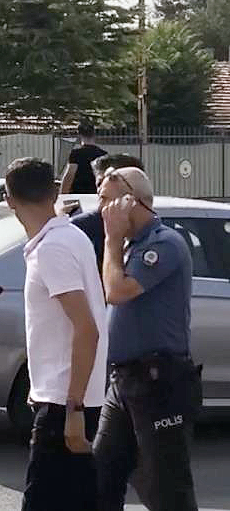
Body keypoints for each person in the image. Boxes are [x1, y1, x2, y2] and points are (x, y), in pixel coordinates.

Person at [95, 167, 202, 511]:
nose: (103, 211)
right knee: (100, 476)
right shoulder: (131, 246)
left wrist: (111, 241)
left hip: (159, 383)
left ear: (132, 201)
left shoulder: (163, 244)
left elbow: (117, 291)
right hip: (124, 381)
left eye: (108, 202)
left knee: (166, 488)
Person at [4, 158, 109, 511]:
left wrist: (74, 408)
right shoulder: (67, 236)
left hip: (65, 403)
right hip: (70, 398)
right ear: (53, 192)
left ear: (8, 198)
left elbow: (86, 328)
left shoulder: (52, 248)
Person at [68, 153, 145, 273]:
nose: (102, 189)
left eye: (111, 181)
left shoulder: (157, 234)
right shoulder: (80, 229)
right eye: (99, 183)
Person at [60, 118, 107, 194]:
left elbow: (69, 175)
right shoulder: (103, 154)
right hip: (96, 194)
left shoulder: (76, 153)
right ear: (94, 134)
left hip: (78, 194)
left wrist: (63, 195)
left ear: (79, 135)